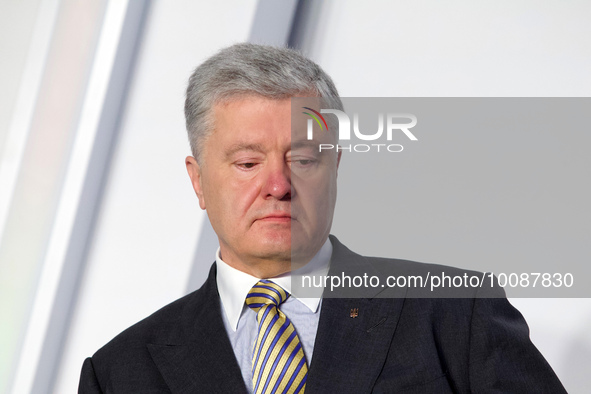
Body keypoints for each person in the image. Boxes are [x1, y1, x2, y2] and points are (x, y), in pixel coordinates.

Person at [78, 43, 566, 393]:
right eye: (247, 163)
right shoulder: (120, 373)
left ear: (335, 166)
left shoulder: (454, 312)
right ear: (198, 180)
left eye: (304, 159)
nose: (278, 185)